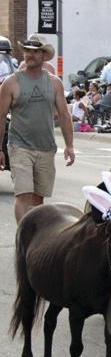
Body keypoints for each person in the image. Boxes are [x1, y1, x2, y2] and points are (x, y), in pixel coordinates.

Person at [0, 34, 75, 223]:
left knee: (38, 199)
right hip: (19, 147)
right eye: (27, 50)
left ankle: (36, 238)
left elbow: (65, 115)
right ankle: (23, 239)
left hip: (46, 147)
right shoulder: (11, 82)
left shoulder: (54, 83)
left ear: (44, 56)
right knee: (23, 195)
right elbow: (0, 117)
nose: (29, 55)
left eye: (35, 52)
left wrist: (70, 145)